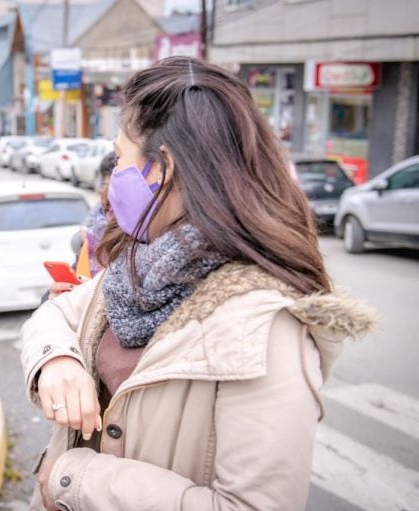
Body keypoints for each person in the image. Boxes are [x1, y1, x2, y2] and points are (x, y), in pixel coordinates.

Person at [20, 56, 376, 511]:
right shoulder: (137, 263)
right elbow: (55, 314)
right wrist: (59, 361)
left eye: (120, 159)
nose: (110, 184)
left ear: (162, 168)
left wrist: (78, 478)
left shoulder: (265, 326)